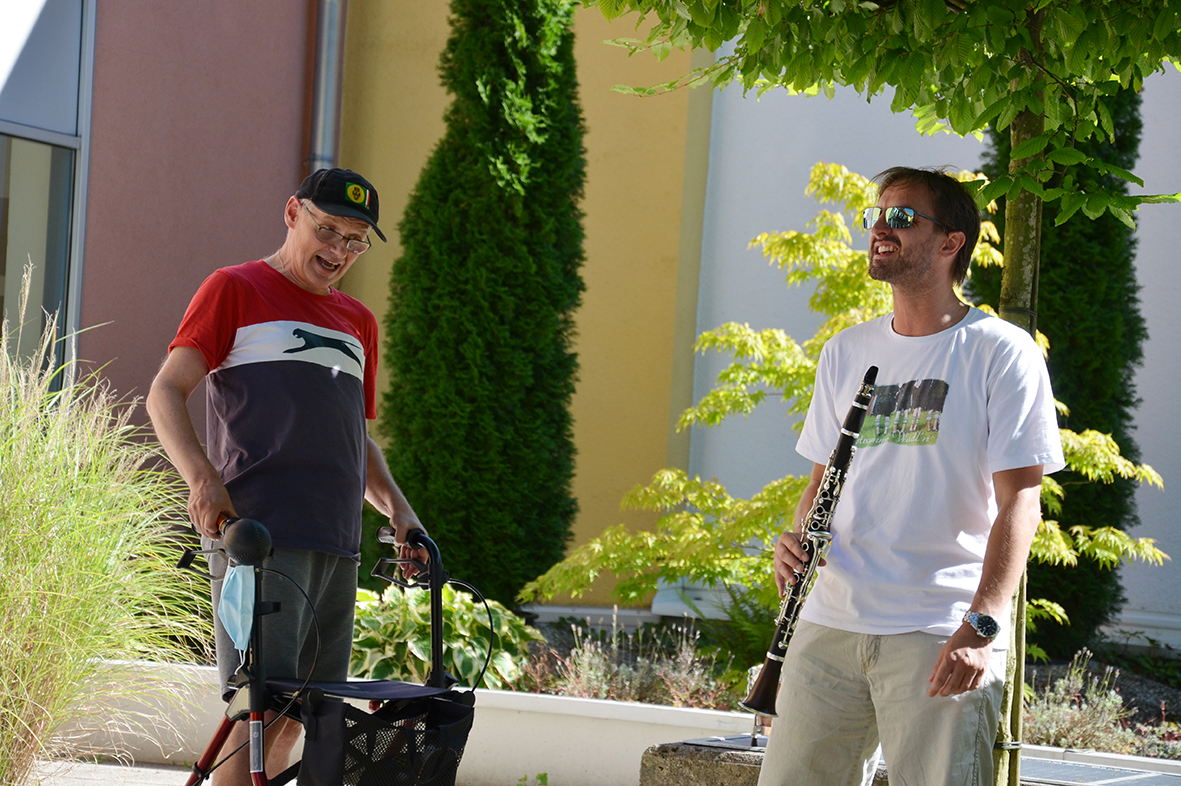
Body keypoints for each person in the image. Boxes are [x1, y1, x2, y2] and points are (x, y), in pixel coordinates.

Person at [758, 167, 1064, 786]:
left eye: (901, 217)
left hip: (939, 626)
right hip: (829, 620)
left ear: (951, 241)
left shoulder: (1002, 351)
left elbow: (1021, 502)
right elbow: (821, 480)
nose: (880, 227)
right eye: (876, 215)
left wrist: (983, 624)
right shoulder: (845, 350)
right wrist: (795, 539)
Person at [146, 168, 425, 784]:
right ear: (293, 213)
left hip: (337, 544)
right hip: (259, 538)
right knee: (260, 709)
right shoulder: (234, 289)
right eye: (328, 231)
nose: (339, 251)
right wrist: (202, 479)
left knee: (304, 715)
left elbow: (355, 438)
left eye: (355, 241)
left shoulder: (358, 322)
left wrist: (400, 513)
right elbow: (165, 393)